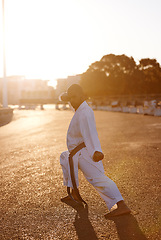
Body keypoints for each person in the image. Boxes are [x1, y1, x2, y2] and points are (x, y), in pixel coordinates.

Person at [59, 84, 131, 217]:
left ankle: (122, 205)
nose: (71, 101)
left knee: (97, 179)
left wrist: (96, 151)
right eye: (70, 98)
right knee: (64, 157)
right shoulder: (80, 108)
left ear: (81, 96)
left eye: (74, 97)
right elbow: (65, 97)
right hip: (76, 153)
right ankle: (73, 193)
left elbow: (90, 133)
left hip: (86, 153)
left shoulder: (85, 112)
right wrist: (67, 95)